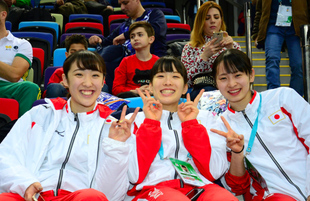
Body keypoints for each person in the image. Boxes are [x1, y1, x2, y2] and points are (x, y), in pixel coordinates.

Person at [0, 50, 140, 201]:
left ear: (103, 81)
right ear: (65, 80)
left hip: (80, 198)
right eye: (79, 75)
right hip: (33, 196)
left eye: (95, 75)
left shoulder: (113, 128)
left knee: (92, 197)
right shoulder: (40, 114)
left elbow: (111, 196)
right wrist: (25, 183)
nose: (87, 83)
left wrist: (116, 147)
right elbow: (6, 157)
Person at [125, 56, 239, 201]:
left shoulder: (206, 118)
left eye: (175, 76)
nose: (167, 82)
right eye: (160, 76)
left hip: (200, 187)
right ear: (151, 86)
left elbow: (214, 173)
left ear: (185, 87)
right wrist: (150, 124)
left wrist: (191, 125)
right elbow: (135, 176)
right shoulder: (134, 121)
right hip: (152, 189)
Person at [210, 49, 310, 201]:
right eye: (223, 78)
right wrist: (237, 153)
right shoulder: (220, 127)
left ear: (251, 75)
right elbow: (236, 187)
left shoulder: (283, 98)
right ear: (216, 83)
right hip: (272, 197)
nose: (232, 84)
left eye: (238, 75)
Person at [181, 1, 241, 100]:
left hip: (229, 88)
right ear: (200, 22)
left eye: (216, 17)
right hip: (202, 91)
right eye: (207, 18)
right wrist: (204, 57)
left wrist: (231, 51)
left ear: (221, 20)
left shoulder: (233, 46)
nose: (212, 21)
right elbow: (185, 80)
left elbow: (242, 74)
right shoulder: (190, 48)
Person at [252, 0, 309, 96]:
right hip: (273, 26)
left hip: (296, 27)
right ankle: (274, 96)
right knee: (272, 58)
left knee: (299, 64)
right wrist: (256, 33)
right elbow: (259, 10)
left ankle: (294, 97)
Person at [0, 0, 40, 117]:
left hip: (9, 87)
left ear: (3, 15)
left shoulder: (22, 44)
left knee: (30, 88)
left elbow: (14, 75)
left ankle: (21, 132)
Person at [88, 0, 167, 57]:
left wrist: (127, 35)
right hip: (129, 71)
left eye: (125, 3)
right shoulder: (124, 26)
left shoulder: (154, 15)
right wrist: (97, 40)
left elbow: (155, 30)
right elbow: (107, 42)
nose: (122, 8)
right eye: (120, 4)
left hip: (155, 67)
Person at [112, 21, 159, 98]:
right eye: (132, 37)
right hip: (131, 100)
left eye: (140, 35)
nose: (136, 39)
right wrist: (136, 91)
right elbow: (116, 89)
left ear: (151, 39)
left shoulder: (158, 62)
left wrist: (153, 91)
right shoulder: (126, 62)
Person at [45, 34, 88, 98]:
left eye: (81, 52)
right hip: (63, 102)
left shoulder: (93, 72)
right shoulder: (59, 72)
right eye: (73, 52)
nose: (77, 55)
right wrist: (61, 85)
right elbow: (47, 93)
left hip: (87, 97)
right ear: (67, 55)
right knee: (55, 87)